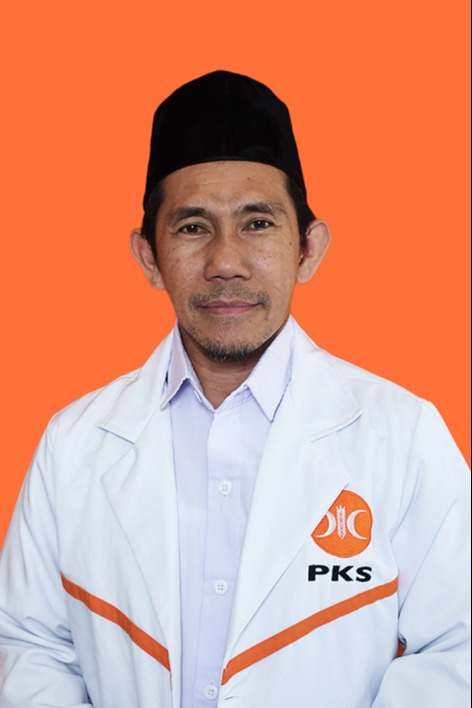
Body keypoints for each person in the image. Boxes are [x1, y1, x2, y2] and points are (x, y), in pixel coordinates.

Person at [0, 70, 469, 708]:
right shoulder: (74, 444)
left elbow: (458, 648)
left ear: (308, 248)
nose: (225, 261)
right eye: (192, 227)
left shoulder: (402, 434)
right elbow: (30, 647)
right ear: (149, 256)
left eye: (257, 224)